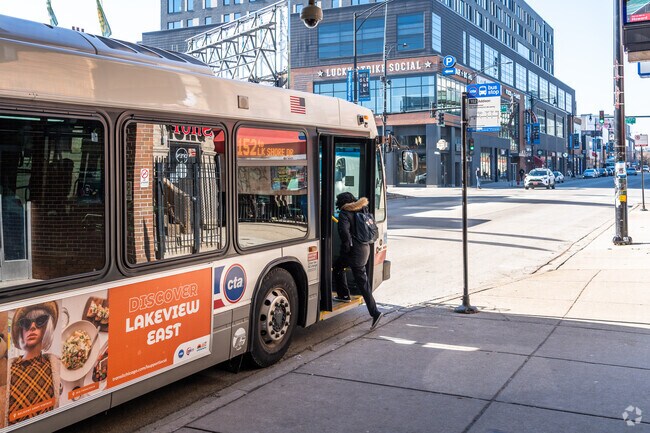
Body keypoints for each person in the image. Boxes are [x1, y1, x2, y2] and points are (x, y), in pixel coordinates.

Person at [333, 192, 383, 330]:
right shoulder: (362, 209)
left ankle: (375, 312)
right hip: (365, 248)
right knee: (338, 266)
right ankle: (343, 295)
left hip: (354, 252)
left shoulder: (345, 213)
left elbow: (344, 233)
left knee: (363, 283)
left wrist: (346, 249)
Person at [6, 302, 60, 425]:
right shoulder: (9, 370)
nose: (32, 327)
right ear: (21, 331)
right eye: (26, 323)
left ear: (47, 327)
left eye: (40, 320)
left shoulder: (55, 365)